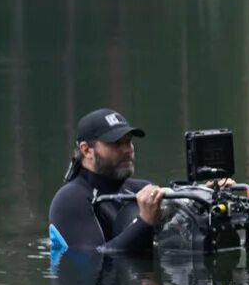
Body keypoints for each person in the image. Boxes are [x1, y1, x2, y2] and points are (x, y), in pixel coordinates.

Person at [48, 108, 166, 256]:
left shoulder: (141, 189)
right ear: (86, 150)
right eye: (116, 144)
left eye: (129, 141)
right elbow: (96, 256)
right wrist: (144, 222)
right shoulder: (70, 199)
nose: (128, 150)